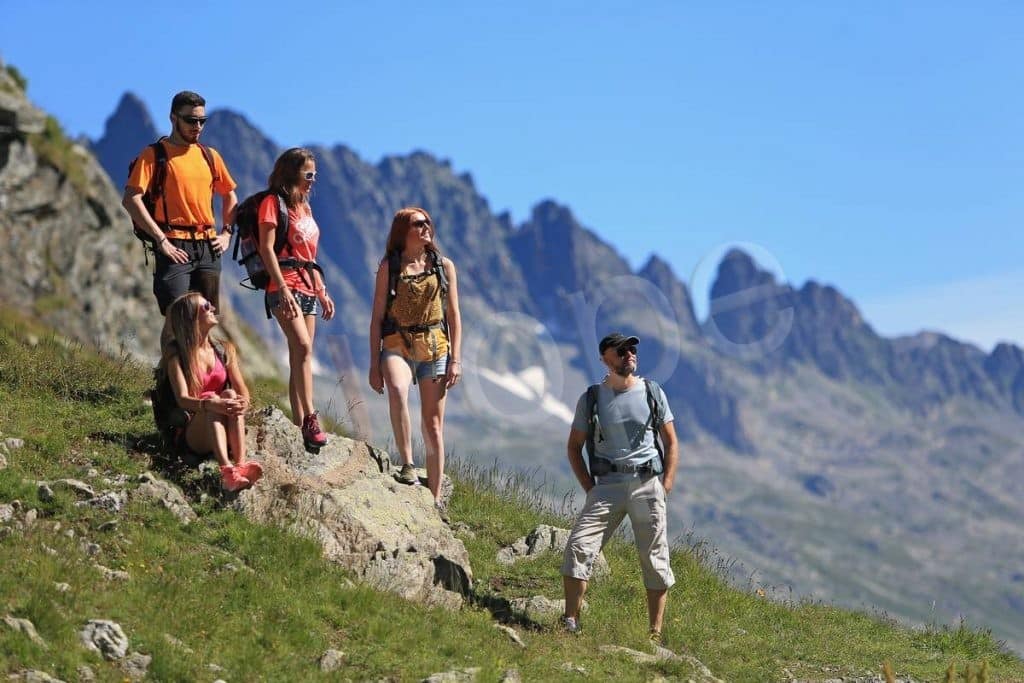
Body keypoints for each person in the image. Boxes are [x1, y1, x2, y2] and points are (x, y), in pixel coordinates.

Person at [561, 333, 679, 643]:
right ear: (605, 359)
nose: (629, 354)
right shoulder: (591, 399)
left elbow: (671, 442)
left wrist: (665, 484)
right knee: (579, 546)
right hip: (607, 486)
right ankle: (570, 622)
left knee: (654, 558)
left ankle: (654, 634)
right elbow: (573, 447)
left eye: (632, 349)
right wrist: (590, 487)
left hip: (647, 484)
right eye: (621, 350)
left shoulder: (653, 392)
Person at [368, 208, 462, 515]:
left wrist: (456, 359)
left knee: (433, 425)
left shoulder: (443, 266)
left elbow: (454, 317)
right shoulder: (389, 267)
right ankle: (408, 463)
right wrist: (373, 363)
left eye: (427, 223)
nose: (426, 228)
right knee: (397, 391)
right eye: (418, 224)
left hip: (435, 347)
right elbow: (377, 316)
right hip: (397, 343)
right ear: (403, 231)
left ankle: (434, 498)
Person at [122, 91, 237, 315]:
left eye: (202, 121)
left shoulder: (210, 155)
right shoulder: (153, 155)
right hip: (173, 246)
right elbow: (130, 199)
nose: (198, 127)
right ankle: (174, 352)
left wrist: (227, 234)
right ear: (173, 118)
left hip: (208, 248)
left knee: (206, 320)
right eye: (191, 121)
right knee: (178, 318)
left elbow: (230, 195)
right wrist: (161, 240)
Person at [258, 148, 335, 448]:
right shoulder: (271, 203)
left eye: (314, 174)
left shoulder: (306, 208)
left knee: (300, 355)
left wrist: (321, 291)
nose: (313, 180)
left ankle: (298, 424)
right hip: (283, 287)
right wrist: (282, 288)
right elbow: (267, 250)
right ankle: (311, 417)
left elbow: (309, 256)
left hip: (307, 287)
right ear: (293, 173)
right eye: (309, 174)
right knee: (302, 347)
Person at [162, 292, 261, 492]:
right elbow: (182, 399)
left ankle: (240, 465)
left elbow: (242, 389)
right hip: (193, 431)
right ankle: (226, 470)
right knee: (212, 398)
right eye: (206, 306)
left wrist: (243, 403)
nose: (213, 308)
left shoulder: (223, 350)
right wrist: (209, 404)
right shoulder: (177, 354)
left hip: (223, 421)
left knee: (231, 395)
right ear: (192, 318)